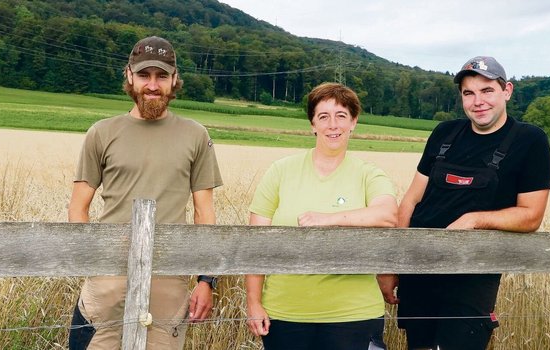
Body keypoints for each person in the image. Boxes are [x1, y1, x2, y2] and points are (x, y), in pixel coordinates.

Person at [67, 36, 223, 349]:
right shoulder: (102, 133)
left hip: (168, 281)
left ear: (175, 80)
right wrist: (95, 267)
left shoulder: (196, 135)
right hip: (107, 280)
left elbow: (204, 213)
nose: (152, 85)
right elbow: (78, 207)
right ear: (129, 76)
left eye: (162, 76)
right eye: (144, 75)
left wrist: (206, 280)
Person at [388, 56, 550, 350]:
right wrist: (392, 266)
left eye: (487, 90)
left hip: (472, 279)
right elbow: (411, 200)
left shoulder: (529, 141)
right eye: (469, 93)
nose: (478, 101)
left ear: (507, 91)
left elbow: (531, 216)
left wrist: (475, 220)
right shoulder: (444, 134)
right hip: (420, 271)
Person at [245, 82, 399, 350]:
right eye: (323, 117)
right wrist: (254, 302)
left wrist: (327, 219)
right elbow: (256, 243)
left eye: (341, 116)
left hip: (354, 315)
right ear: (312, 124)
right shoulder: (280, 172)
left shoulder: (368, 174)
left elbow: (387, 215)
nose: (333, 125)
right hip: (285, 313)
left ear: (354, 123)